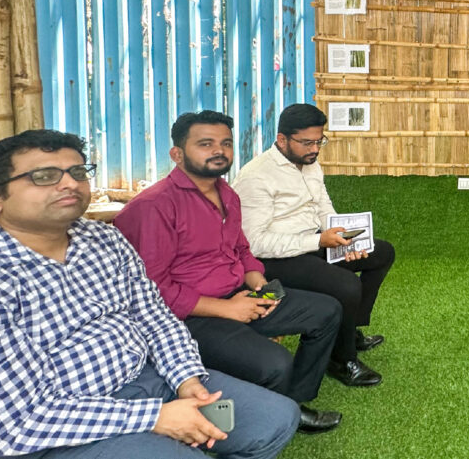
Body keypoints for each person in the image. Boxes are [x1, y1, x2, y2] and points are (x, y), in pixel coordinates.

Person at [0, 129, 299, 459]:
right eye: (45, 176)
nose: (70, 183)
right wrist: (154, 418)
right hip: (53, 427)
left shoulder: (103, 239)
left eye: (77, 171)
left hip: (147, 378)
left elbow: (154, 316)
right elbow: (12, 423)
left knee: (276, 419)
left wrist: (186, 378)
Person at [114, 111, 344, 434]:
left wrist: (257, 280)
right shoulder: (156, 206)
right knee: (276, 363)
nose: (219, 151)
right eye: (205, 144)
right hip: (192, 316)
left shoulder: (228, 196)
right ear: (177, 154)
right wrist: (228, 309)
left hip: (240, 295)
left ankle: (295, 401)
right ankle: (272, 413)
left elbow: (242, 249)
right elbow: (154, 291)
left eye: (226, 143)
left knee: (327, 311)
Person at [235, 102, 391, 386]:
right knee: (346, 285)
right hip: (275, 260)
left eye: (320, 141)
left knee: (381, 252)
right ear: (282, 139)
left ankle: (350, 330)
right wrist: (319, 239)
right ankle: (341, 361)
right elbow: (254, 243)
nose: (315, 149)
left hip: (315, 243)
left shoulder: (309, 163)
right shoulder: (256, 176)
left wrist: (342, 236)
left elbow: (322, 205)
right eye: (307, 142)